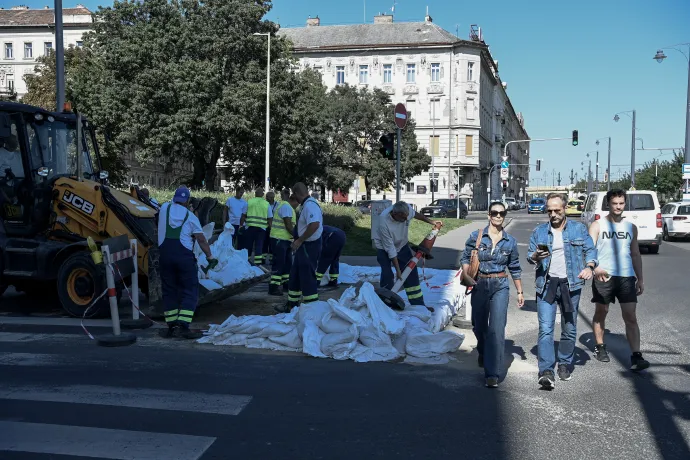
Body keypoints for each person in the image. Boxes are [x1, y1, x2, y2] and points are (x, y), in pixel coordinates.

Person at [527, 193, 598, 389]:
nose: (553, 214)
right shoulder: (540, 231)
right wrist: (535, 256)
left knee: (569, 327)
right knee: (546, 329)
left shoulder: (578, 229)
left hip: (571, 285)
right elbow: (529, 256)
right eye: (549, 210)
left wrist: (589, 267)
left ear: (564, 208)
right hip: (547, 285)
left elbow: (590, 251)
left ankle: (565, 362)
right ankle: (546, 370)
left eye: (557, 210)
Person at [461, 201, 524, 388]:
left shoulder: (510, 241)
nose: (498, 216)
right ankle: (483, 350)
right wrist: (466, 274)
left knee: (496, 329)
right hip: (479, 283)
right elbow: (465, 256)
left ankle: (492, 373)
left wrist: (520, 291)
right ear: (489, 215)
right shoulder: (477, 236)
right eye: (495, 213)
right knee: (479, 326)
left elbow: (515, 267)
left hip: (500, 285)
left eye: (501, 213)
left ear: (504, 216)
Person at [588, 189, 650, 371]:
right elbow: (589, 250)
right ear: (608, 204)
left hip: (626, 276)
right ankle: (600, 346)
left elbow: (635, 253)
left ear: (625, 204)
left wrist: (640, 279)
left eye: (621, 203)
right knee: (602, 311)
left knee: (630, 315)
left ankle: (636, 356)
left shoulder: (631, 227)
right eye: (614, 203)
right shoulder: (597, 225)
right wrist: (595, 267)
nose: (618, 207)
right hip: (603, 275)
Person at [158, 186, 217, 339]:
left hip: (165, 256)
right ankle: (183, 326)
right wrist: (210, 257)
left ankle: (171, 327)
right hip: (183, 258)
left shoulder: (164, 208)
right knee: (189, 290)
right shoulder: (190, 216)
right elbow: (202, 239)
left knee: (169, 290)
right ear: (188, 201)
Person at [374, 201, 442, 309]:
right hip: (384, 247)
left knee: (411, 273)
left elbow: (415, 214)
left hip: (402, 245)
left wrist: (431, 221)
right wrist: (398, 270)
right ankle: (386, 304)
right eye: (403, 218)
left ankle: (419, 305)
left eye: (407, 217)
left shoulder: (406, 209)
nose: (406, 220)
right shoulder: (384, 221)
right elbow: (390, 249)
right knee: (387, 275)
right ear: (395, 214)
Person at [277, 182, 323, 313]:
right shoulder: (307, 205)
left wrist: (299, 240)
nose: (293, 197)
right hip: (304, 246)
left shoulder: (310, 206)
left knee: (307, 276)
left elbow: (314, 224)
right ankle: (292, 305)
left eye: (293, 194)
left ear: (297, 193)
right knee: (295, 275)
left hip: (309, 246)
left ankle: (312, 308)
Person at [268, 189, 296, 296]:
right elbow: (288, 225)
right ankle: (273, 287)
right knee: (279, 264)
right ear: (294, 201)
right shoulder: (287, 207)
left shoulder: (284, 206)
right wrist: (297, 237)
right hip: (280, 240)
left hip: (285, 240)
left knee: (287, 264)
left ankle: (286, 284)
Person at [242, 187, 273, 265]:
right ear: (263, 195)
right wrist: (271, 229)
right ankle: (258, 266)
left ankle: (247, 263)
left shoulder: (249, 202)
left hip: (249, 227)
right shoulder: (266, 204)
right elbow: (270, 219)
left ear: (255, 194)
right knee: (259, 247)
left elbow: (243, 215)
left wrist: (240, 225)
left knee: (248, 246)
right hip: (261, 229)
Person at [263, 190, 280, 265]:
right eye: (266, 197)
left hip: (274, 228)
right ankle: (263, 259)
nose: (266, 198)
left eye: (268, 197)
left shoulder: (278, 205)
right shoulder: (265, 204)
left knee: (272, 244)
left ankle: (271, 259)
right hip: (265, 227)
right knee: (264, 243)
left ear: (272, 197)